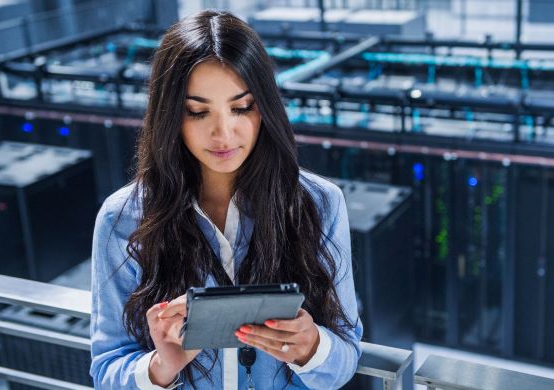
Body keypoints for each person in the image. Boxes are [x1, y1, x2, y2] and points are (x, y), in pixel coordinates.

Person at [89, 9, 362, 390]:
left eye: (241, 107)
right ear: (171, 116)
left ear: (264, 107)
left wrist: (311, 347)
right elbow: (107, 370)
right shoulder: (123, 218)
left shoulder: (318, 202)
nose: (223, 133)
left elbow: (347, 355)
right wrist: (161, 367)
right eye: (198, 112)